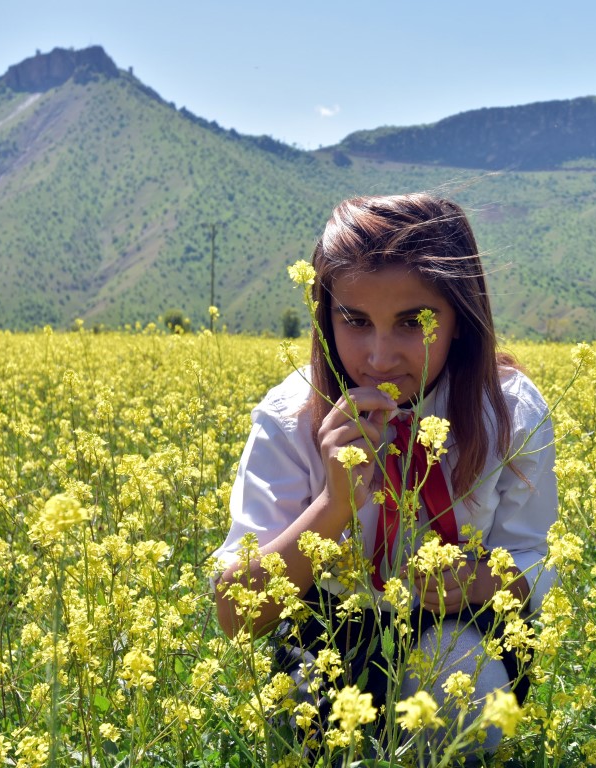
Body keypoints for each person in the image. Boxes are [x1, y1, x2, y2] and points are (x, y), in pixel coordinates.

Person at [211, 193, 558, 756]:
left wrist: (482, 581)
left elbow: (534, 557)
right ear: (325, 318)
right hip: (331, 629)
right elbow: (235, 616)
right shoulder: (290, 416)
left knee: (464, 702)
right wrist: (333, 505)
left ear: (461, 320)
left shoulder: (510, 411)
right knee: (318, 738)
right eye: (354, 321)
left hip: (460, 624)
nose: (379, 357)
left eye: (413, 323)